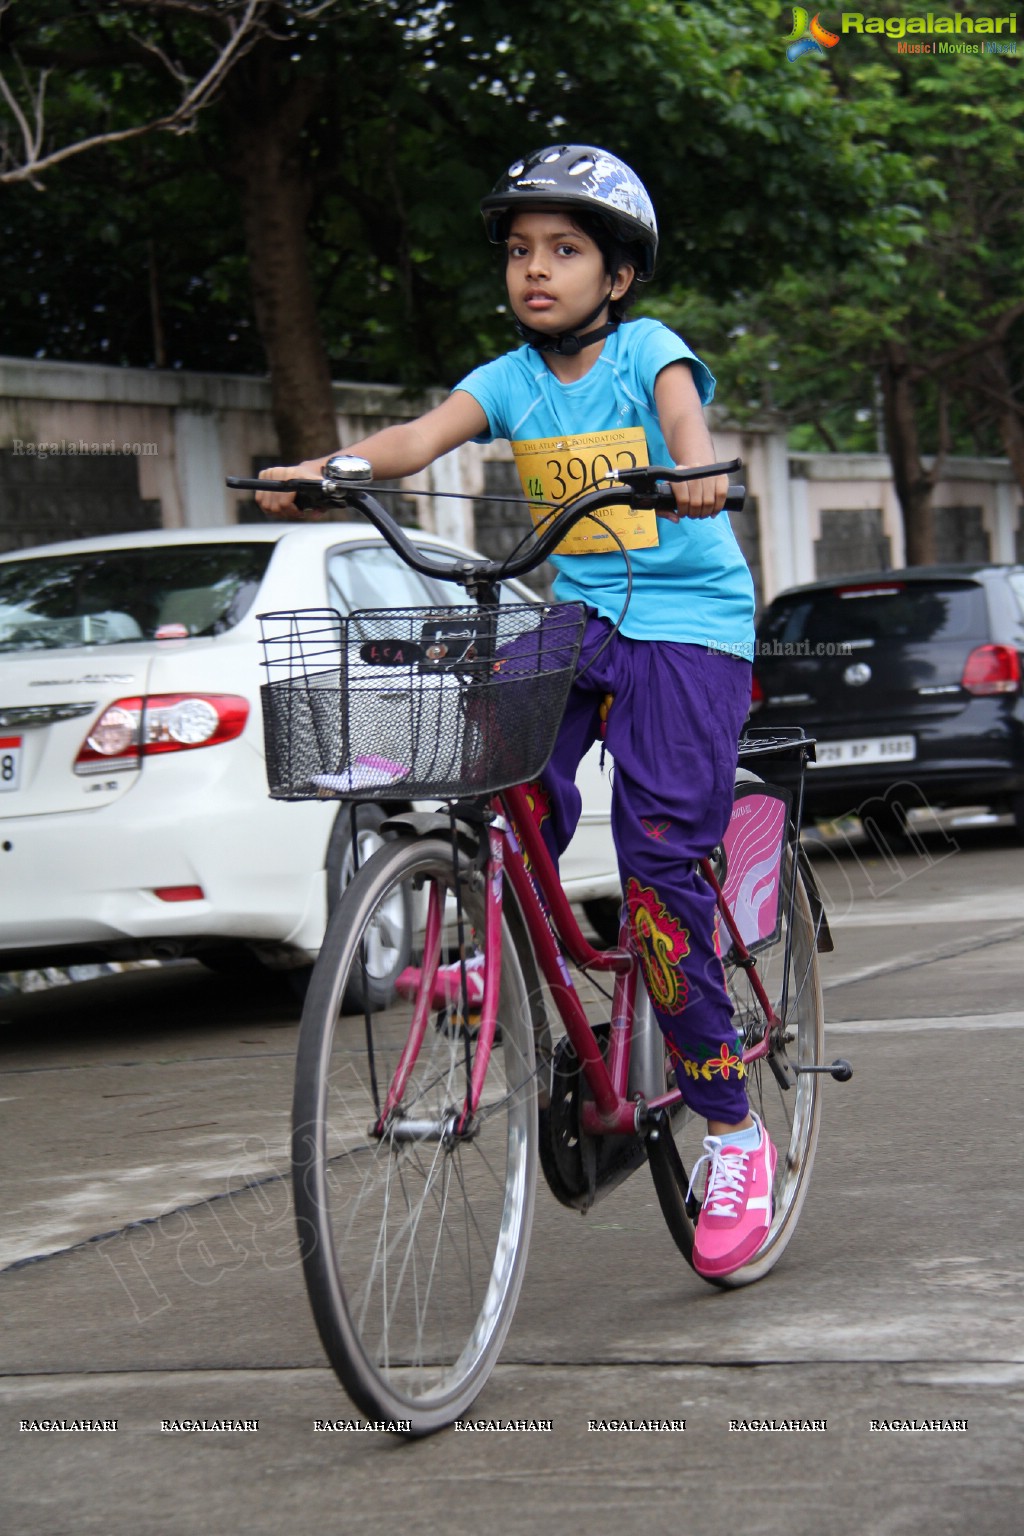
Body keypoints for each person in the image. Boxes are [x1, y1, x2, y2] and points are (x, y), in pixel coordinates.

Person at [256, 143, 771, 1279]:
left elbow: (686, 429)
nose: (536, 270)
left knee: (659, 875)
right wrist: (331, 464)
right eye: (521, 251)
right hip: (581, 612)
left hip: (689, 627)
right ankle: (493, 933)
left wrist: (694, 472)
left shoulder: (649, 353)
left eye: (566, 251)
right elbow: (415, 438)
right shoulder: (508, 378)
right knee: (485, 761)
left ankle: (733, 1126)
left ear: (616, 275)